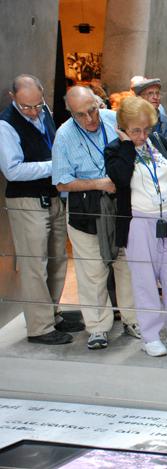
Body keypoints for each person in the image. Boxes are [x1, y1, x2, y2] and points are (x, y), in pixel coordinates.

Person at [105, 96, 167, 357]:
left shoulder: (159, 142)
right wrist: (127, 146)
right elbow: (121, 179)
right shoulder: (116, 150)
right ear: (123, 128)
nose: (142, 135)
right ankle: (150, 335)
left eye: (146, 129)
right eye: (135, 130)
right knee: (145, 281)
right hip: (140, 223)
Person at [52, 86, 141, 349]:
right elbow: (61, 182)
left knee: (126, 265)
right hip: (86, 209)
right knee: (92, 270)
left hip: (122, 206)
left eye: (93, 110)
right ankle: (98, 327)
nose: (90, 119)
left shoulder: (113, 119)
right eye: (81, 115)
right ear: (71, 114)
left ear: (98, 103)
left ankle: (132, 319)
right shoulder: (64, 135)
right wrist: (99, 183)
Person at [0, 74, 75, 345]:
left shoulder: (45, 113)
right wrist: (54, 165)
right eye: (26, 107)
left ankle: (52, 314)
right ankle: (39, 327)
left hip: (52, 197)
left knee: (58, 258)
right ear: (13, 98)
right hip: (26, 201)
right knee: (34, 264)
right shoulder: (5, 125)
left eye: (37, 105)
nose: (33, 111)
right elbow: (13, 170)